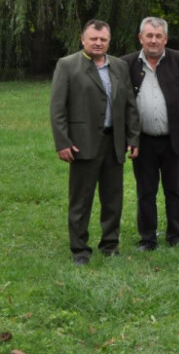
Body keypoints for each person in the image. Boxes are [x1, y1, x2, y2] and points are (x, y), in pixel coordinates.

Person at [50, 19, 140, 265]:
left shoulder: (120, 66)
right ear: (83, 39)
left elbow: (130, 105)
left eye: (103, 40)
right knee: (81, 199)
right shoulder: (68, 65)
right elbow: (57, 109)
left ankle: (110, 244)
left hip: (115, 143)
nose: (98, 43)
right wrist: (62, 142)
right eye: (94, 39)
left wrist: (133, 137)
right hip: (82, 144)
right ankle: (80, 249)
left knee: (113, 198)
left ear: (109, 41)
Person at [122, 17, 179, 251]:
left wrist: (178, 119)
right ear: (140, 38)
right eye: (149, 36)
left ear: (165, 38)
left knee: (175, 190)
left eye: (158, 36)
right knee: (146, 192)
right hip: (143, 141)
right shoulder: (127, 64)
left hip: (174, 139)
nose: (154, 40)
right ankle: (148, 238)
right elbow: (123, 103)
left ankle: (176, 236)